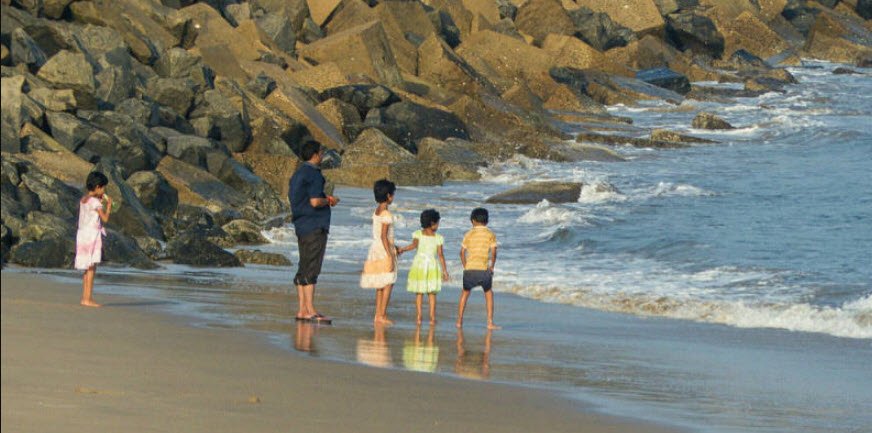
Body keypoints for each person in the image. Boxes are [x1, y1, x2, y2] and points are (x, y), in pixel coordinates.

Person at [288, 140, 339, 323]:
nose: (322, 155)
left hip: (300, 224)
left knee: (303, 266)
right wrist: (329, 200)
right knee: (312, 268)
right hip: (314, 225)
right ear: (316, 154)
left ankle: (302, 309)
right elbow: (315, 201)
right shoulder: (314, 174)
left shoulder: (297, 174)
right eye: (321, 152)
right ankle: (309, 309)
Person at [397, 209, 449, 325]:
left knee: (419, 292)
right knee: (432, 293)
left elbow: (413, 246)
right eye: (437, 223)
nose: (438, 225)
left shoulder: (418, 234)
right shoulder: (438, 238)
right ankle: (432, 317)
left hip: (419, 264)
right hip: (432, 265)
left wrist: (402, 249)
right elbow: (440, 255)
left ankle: (419, 316)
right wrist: (445, 271)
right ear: (432, 223)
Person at [360, 179, 398, 325]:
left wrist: (396, 247)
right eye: (393, 195)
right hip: (384, 250)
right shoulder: (387, 213)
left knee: (380, 283)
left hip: (375, 249)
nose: (393, 197)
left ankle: (378, 314)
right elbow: (384, 236)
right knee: (388, 282)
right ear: (388, 196)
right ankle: (382, 315)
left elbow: (381, 235)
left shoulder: (376, 211)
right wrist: (390, 254)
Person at [456, 207, 500, 329]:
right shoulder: (490, 234)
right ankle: (490, 322)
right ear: (487, 221)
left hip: (470, 269)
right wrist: (492, 266)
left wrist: (465, 266)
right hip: (483, 270)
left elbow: (461, 252)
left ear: (473, 221)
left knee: (465, 293)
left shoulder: (468, 234)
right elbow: (494, 252)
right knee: (488, 293)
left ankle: (459, 321)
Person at [75, 171, 112, 307]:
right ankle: (87, 298)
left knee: (87, 267)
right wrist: (108, 207)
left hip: (82, 235)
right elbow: (105, 219)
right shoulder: (96, 202)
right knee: (91, 268)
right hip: (92, 236)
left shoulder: (84, 199)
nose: (104, 190)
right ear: (97, 187)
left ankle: (85, 297)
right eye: (103, 187)